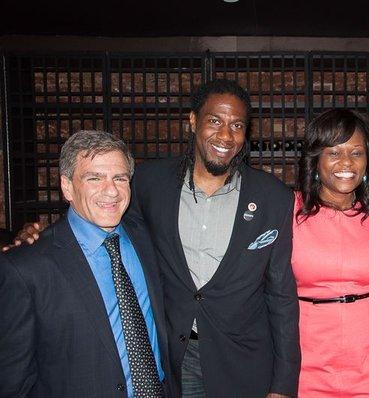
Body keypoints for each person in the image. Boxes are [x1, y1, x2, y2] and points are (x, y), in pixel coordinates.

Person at [3, 79, 301, 398]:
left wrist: (282, 385)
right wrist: (37, 240)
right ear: (192, 121)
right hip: (174, 358)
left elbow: (281, 296)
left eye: (237, 125)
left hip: (243, 362)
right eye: (215, 120)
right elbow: (96, 217)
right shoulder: (149, 183)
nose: (225, 134)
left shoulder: (273, 197)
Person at [0, 130, 170, 397]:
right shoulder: (25, 269)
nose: (111, 190)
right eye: (94, 178)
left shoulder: (147, 236)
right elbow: (13, 382)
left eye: (120, 178)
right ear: (67, 186)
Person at [292, 109, 369, 397]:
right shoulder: (288, 210)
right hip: (304, 359)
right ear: (316, 160)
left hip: (368, 360)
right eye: (334, 152)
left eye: (356, 153)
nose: (346, 163)